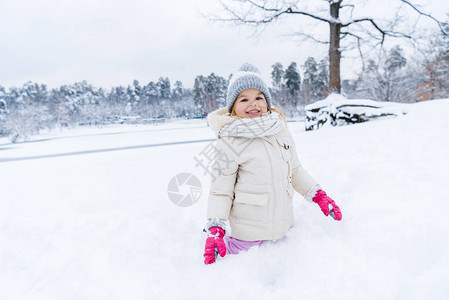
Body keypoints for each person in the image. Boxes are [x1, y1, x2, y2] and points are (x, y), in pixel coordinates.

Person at [203, 64, 342, 265]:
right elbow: (220, 190)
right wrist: (216, 226)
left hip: (284, 226)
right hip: (247, 234)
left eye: (259, 97)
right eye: (244, 99)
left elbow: (295, 170)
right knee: (239, 268)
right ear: (233, 107)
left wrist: (318, 194)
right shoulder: (229, 142)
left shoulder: (280, 132)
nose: (253, 104)